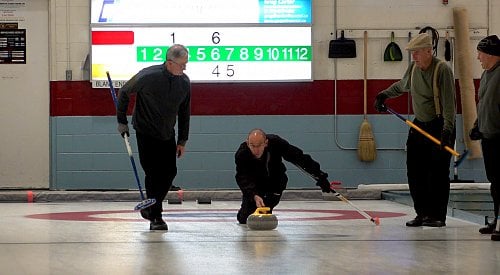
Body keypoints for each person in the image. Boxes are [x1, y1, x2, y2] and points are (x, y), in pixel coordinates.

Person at [374, 33, 456, 227]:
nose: (414, 57)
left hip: (440, 124)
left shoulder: (441, 69)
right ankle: (422, 213)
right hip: (419, 125)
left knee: (437, 173)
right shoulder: (413, 69)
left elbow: (449, 103)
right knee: (415, 171)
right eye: (412, 53)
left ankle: (437, 216)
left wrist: (447, 130)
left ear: (429, 51)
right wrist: (383, 95)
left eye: (417, 53)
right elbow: (402, 86)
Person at [116, 44, 191, 230]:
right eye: (182, 65)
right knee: (153, 174)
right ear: (169, 62)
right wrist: (122, 121)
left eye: (186, 64)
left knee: (170, 172)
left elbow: (184, 112)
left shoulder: (184, 82)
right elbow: (124, 92)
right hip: (146, 132)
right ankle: (156, 216)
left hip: (167, 134)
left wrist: (182, 140)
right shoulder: (148, 76)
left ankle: (150, 206)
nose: (185, 68)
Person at [234, 128, 331, 224]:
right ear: (247, 143)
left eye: (259, 145)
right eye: (252, 146)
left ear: (266, 143)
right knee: (245, 218)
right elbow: (242, 178)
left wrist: (320, 176)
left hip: (276, 182)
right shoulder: (242, 154)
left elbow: (299, 158)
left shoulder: (277, 143)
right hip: (255, 185)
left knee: (264, 214)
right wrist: (253, 195)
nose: (256, 150)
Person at [469, 35, 500, 237]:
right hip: (489, 137)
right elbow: (483, 105)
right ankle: (496, 220)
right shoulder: (487, 73)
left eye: (480, 53)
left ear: (490, 54)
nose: (478, 57)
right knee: (495, 183)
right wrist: (477, 125)